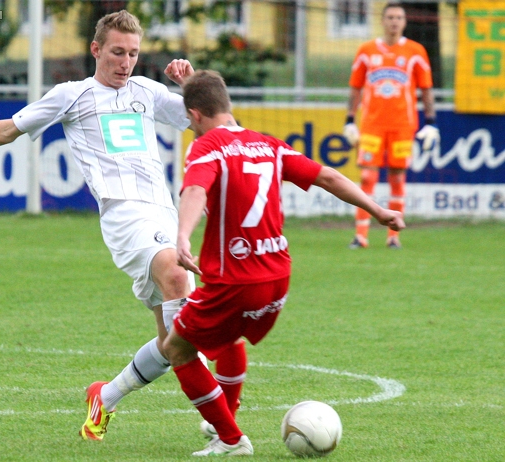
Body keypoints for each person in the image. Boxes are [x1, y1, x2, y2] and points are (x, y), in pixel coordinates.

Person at [0, 10, 196, 441]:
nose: (125, 62)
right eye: (117, 52)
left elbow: (208, 116)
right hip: (125, 214)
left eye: (132, 53)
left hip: (163, 213)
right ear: (96, 50)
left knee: (174, 342)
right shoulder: (72, 95)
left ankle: (105, 396)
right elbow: (8, 129)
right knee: (177, 277)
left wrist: (191, 83)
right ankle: (219, 421)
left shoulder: (147, 92)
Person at [162, 70, 405, 456]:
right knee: (228, 336)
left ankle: (231, 438)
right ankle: (220, 418)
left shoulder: (206, 147)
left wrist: (182, 235)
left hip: (236, 277)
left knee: (176, 348)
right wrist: (377, 210)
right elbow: (326, 176)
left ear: (193, 116)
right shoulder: (268, 145)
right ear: (227, 106)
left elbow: (194, 188)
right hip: (277, 276)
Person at [343, 2, 438, 249]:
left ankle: (393, 236)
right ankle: (361, 235)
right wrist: (350, 120)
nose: (394, 21)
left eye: (399, 17)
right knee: (367, 176)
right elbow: (355, 88)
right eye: (390, 17)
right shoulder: (366, 50)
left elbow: (426, 89)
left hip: (402, 126)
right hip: (372, 124)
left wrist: (431, 122)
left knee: (397, 178)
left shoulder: (416, 51)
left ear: (405, 22)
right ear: (382, 20)